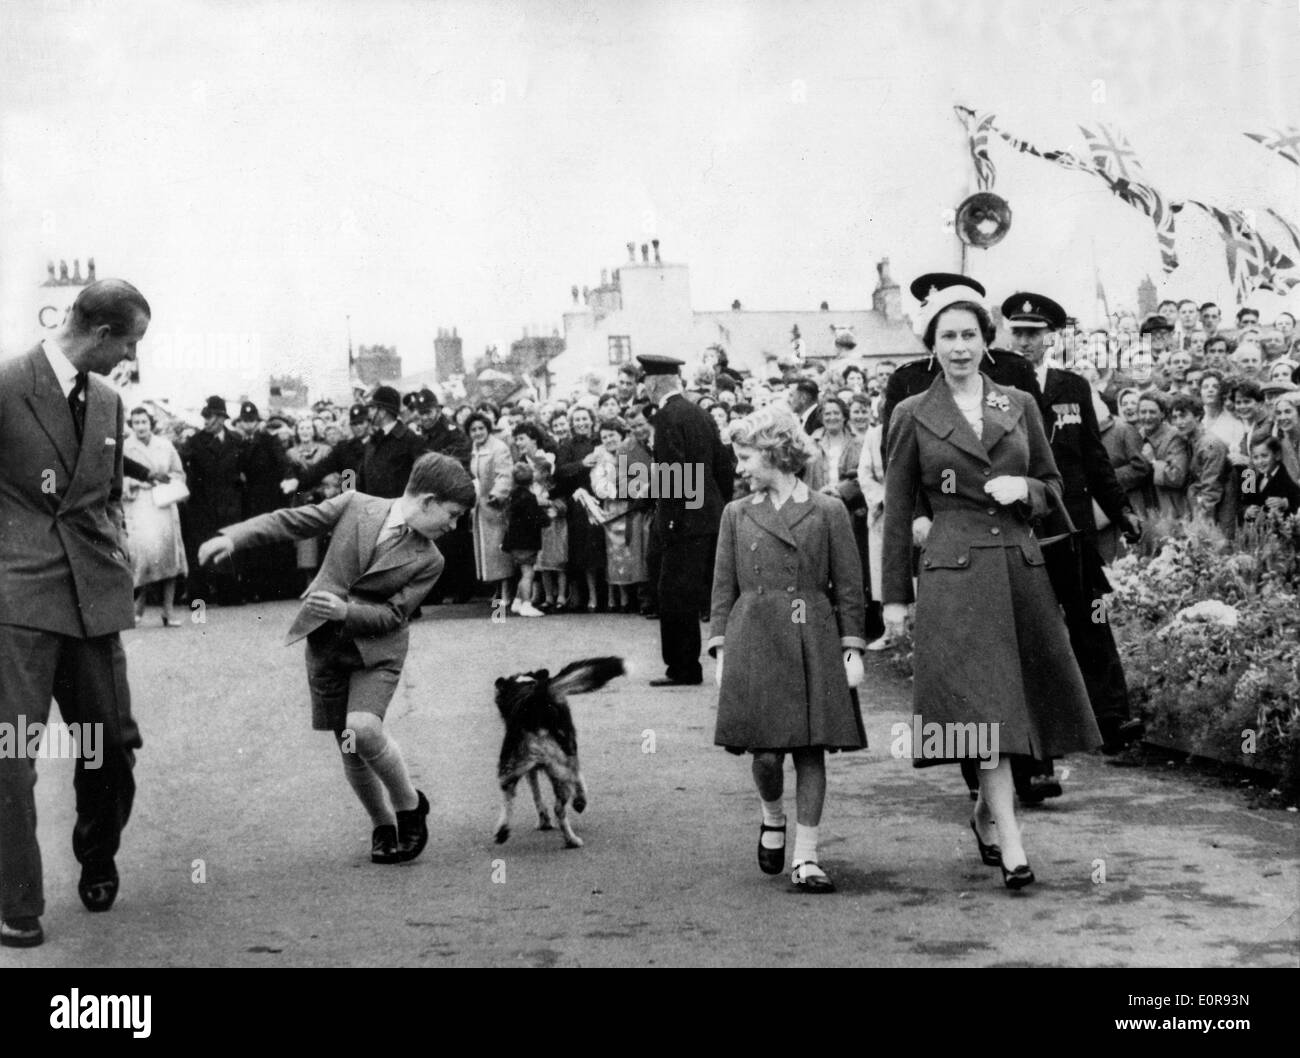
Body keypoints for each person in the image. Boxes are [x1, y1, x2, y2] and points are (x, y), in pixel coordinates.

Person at [881, 275, 1101, 891]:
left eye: (969, 335)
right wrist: (894, 598)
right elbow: (899, 510)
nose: (959, 347)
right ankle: (1012, 842)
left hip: (1018, 570)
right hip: (953, 573)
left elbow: (1056, 490)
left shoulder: (1019, 404)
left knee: (1011, 709)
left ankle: (984, 814)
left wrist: (1025, 490)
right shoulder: (911, 412)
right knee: (981, 712)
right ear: (932, 344)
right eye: (947, 336)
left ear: (987, 341)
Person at [198, 453, 474, 865]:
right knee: (349, 747)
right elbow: (290, 522)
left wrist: (348, 611)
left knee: (362, 728)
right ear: (428, 500)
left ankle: (408, 804)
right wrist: (235, 537)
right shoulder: (354, 505)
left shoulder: (430, 559)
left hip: (377, 651)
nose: (452, 526)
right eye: (452, 515)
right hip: (326, 645)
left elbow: (395, 615)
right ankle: (382, 824)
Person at [0, 278, 151, 948]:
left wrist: (121, 550)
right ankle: (17, 900)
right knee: (10, 758)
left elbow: (110, 498)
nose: (130, 357)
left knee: (112, 744)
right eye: (129, 342)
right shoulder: (7, 385)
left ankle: (97, 852)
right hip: (17, 597)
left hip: (92, 596)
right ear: (98, 333)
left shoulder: (112, 402)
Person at [709, 405, 867, 893]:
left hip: (812, 633)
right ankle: (772, 814)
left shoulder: (828, 509)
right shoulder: (736, 513)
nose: (739, 467)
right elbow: (722, 588)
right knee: (766, 755)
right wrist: (719, 649)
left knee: (811, 749)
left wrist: (853, 647)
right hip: (755, 635)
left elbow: (849, 585)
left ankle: (807, 856)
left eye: (746, 457)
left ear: (774, 454)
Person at [638, 355, 736, 685]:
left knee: (673, 594)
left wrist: (669, 521)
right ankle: (687, 663)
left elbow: (673, 474)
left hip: (682, 521)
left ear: (653, 383)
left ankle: (682, 666)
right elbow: (724, 465)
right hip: (707, 515)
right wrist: (718, 504)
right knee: (689, 592)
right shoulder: (700, 414)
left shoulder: (666, 418)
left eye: (645, 383)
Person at [123, 406, 188, 627]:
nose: (140, 426)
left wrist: (168, 480)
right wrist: (137, 481)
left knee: (169, 557)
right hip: (139, 505)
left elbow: (179, 472)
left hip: (163, 503)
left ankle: (168, 612)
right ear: (131, 425)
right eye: (136, 422)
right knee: (145, 559)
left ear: (151, 423)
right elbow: (118, 477)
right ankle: (137, 609)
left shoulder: (165, 446)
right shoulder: (126, 448)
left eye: (144, 422)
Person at [181, 395, 245, 606]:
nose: (206, 421)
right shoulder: (194, 442)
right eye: (204, 417)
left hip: (229, 505)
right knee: (200, 549)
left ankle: (229, 594)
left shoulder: (237, 440)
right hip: (202, 506)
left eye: (209, 417)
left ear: (221, 418)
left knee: (227, 548)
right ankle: (198, 596)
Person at [553, 406, 606, 611]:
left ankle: (609, 594)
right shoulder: (567, 445)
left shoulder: (599, 442)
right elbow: (560, 472)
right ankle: (588, 595)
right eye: (577, 420)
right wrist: (582, 464)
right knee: (585, 549)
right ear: (572, 424)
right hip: (580, 501)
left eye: (585, 419)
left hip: (602, 497)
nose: (581, 423)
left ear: (592, 420)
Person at [590, 417, 646, 612]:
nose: (608, 440)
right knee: (616, 554)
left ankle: (639, 595)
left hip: (634, 507)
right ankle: (622, 598)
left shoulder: (631, 452)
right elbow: (598, 485)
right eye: (604, 437)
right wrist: (618, 492)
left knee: (636, 551)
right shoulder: (601, 458)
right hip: (614, 510)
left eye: (612, 435)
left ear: (621, 434)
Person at [465, 411, 515, 609]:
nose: (477, 433)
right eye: (473, 429)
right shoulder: (475, 448)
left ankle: (505, 591)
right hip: (481, 506)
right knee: (487, 551)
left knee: (499, 549)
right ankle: (497, 588)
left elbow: (505, 474)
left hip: (496, 505)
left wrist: (497, 494)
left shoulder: (499, 448)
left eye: (480, 428)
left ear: (488, 428)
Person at [1168, 393, 1233, 535]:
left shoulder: (1209, 443)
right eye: (1175, 417)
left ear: (1197, 416)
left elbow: (1211, 487)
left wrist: (1201, 521)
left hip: (1221, 508)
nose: (1179, 422)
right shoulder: (1192, 441)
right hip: (1202, 504)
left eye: (1183, 416)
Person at [286, 418, 335, 585]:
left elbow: (332, 476)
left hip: (323, 497)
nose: (305, 431)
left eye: (308, 428)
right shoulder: (291, 453)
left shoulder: (326, 450)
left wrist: (320, 492)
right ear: (297, 432)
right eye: (301, 428)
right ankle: (310, 580)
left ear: (314, 431)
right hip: (301, 501)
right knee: (305, 536)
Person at [502, 462, 547, 617]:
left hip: (514, 541)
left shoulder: (513, 496)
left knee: (522, 572)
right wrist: (546, 518)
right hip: (527, 542)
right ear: (531, 479)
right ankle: (527, 604)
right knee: (528, 573)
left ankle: (517, 600)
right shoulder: (529, 497)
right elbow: (537, 518)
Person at [1239, 436, 1300, 521]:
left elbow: (1297, 497)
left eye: (1264, 456)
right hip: (1258, 531)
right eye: (1255, 457)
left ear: (1277, 455)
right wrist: (1247, 511)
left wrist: (1285, 503)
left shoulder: (1288, 477)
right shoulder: (1252, 478)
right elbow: (1243, 502)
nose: (1260, 461)